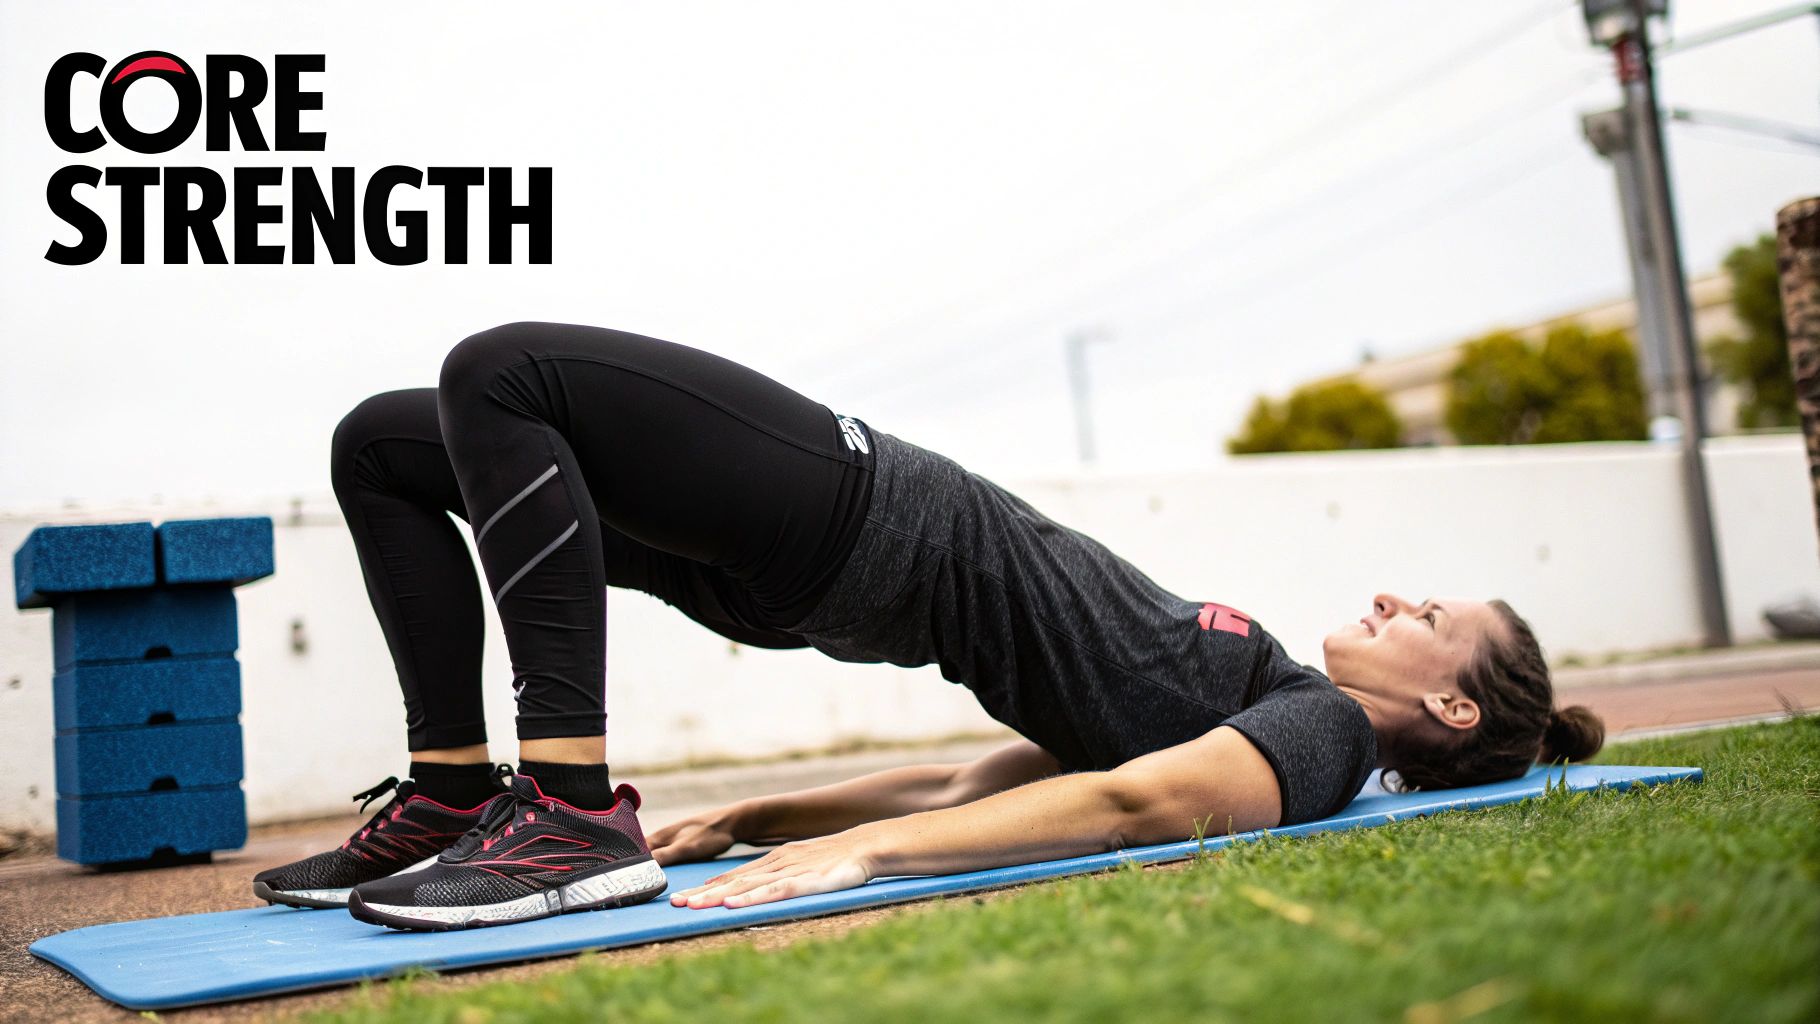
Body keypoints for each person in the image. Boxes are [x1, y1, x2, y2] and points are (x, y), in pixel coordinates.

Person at [253, 322, 1605, 930]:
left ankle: (562, 810)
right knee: (384, 447)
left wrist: (875, 855)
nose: (1390, 599)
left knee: (506, 372)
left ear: (1455, 709)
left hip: (868, 517)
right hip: (822, 584)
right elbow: (984, 779)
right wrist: (770, 813)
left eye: (1428, 616)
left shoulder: (1311, 734)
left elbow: (1141, 806)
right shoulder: (1270, 696)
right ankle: (448, 798)